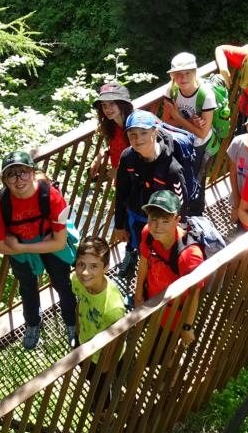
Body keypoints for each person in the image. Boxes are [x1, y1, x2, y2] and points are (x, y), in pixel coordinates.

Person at [0, 151, 79, 349]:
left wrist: (21, 246)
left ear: (33, 173)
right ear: (4, 180)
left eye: (23, 172)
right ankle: (33, 324)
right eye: (12, 174)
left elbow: (60, 243)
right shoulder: (0, 205)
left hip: (36, 245)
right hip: (30, 247)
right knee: (28, 289)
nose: (18, 180)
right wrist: (23, 248)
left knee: (63, 284)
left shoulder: (50, 196)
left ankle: (72, 323)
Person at [112, 110, 189, 275]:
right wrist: (119, 225)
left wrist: (175, 229)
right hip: (136, 216)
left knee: (158, 258)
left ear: (155, 131)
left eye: (144, 133)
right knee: (142, 250)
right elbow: (121, 193)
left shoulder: (171, 169)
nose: (138, 139)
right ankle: (135, 260)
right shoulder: (127, 157)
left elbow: (182, 203)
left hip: (161, 224)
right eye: (133, 134)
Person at [133, 191, 203, 347]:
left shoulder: (189, 255)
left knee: (166, 351)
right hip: (152, 301)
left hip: (174, 315)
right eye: (153, 219)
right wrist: (138, 297)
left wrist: (187, 327)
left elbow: (194, 294)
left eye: (165, 221)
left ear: (177, 220)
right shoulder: (148, 233)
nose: (157, 227)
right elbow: (144, 262)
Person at [72, 236, 128, 408]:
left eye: (94, 266)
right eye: (81, 264)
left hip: (103, 357)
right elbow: (80, 303)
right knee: (89, 376)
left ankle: (104, 415)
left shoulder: (112, 308)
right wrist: (77, 332)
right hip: (84, 343)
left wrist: (103, 370)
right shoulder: (76, 280)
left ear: (106, 268)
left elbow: (113, 344)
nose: (85, 272)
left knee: (101, 389)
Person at [161, 52, 215, 215]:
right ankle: (181, 212)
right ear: (173, 76)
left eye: (187, 73)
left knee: (196, 180)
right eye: (178, 74)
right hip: (178, 141)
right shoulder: (171, 91)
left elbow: (202, 133)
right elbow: (165, 122)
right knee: (180, 178)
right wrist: (190, 123)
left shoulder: (206, 96)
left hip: (198, 145)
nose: (183, 78)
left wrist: (177, 117)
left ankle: (197, 213)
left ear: (195, 73)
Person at [89, 82, 133, 180]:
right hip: (121, 182)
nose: (107, 109)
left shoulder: (135, 126)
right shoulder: (112, 124)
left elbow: (146, 158)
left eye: (112, 104)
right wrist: (100, 156)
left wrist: (121, 172)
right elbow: (118, 146)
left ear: (122, 104)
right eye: (104, 105)